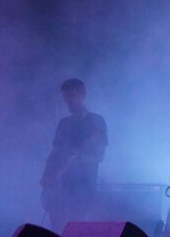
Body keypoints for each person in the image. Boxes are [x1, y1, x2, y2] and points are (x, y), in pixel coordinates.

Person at [40, 78, 108, 232]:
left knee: (77, 228)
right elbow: (55, 152)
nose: (69, 101)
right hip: (60, 188)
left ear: (82, 94)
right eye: (66, 97)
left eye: (72, 96)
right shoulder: (64, 123)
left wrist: (78, 160)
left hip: (82, 188)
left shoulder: (96, 121)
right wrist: (47, 174)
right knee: (56, 228)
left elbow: (100, 155)